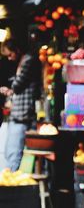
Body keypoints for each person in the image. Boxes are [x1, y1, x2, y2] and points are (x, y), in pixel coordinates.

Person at [0, 38, 42, 171]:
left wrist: (12, 87)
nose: (10, 58)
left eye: (10, 54)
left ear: (17, 50)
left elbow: (17, 85)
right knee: (10, 152)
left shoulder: (28, 61)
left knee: (13, 154)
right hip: (18, 114)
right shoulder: (24, 62)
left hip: (21, 115)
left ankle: (10, 186)